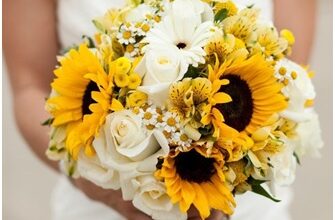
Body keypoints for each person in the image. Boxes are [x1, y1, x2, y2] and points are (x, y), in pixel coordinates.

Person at [3, 0, 316, 219]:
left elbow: (286, 81)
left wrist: (233, 174)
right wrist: (92, 182)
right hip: (97, 205)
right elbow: (30, 87)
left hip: (240, 209)